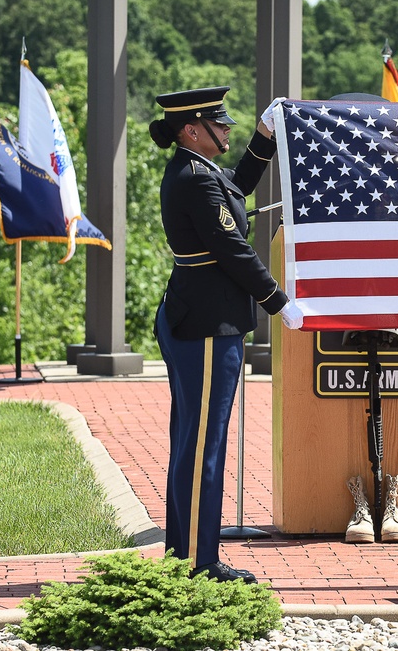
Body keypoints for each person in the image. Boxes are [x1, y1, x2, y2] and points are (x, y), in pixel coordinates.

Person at [149, 86, 303, 582]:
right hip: (208, 325)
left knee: (192, 440)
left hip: (195, 315)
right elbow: (233, 249)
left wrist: (264, 139)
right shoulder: (195, 179)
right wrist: (278, 302)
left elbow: (238, 188)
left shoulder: (200, 171)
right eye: (220, 123)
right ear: (192, 129)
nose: (227, 128)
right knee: (202, 445)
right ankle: (200, 562)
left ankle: (184, 553)